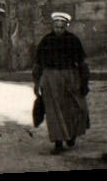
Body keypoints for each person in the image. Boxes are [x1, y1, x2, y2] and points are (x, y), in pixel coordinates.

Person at [33, 10, 90, 153]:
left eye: (62, 27)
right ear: (52, 26)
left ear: (66, 26)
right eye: (56, 27)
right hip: (50, 79)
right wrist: (36, 83)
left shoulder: (73, 40)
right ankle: (58, 143)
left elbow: (82, 63)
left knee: (75, 107)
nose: (59, 29)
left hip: (70, 77)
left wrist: (84, 82)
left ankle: (71, 135)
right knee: (54, 112)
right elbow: (38, 64)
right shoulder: (46, 41)